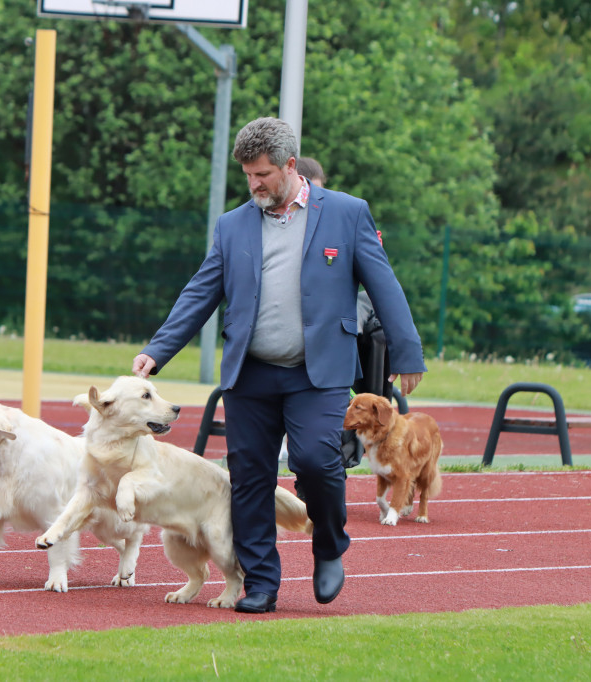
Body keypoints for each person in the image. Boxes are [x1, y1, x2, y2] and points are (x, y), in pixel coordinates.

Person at [132, 117, 426, 613]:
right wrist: (158, 349)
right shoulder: (233, 224)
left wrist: (407, 351)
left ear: (291, 166)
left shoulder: (348, 215)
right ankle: (261, 583)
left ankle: (330, 545)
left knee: (315, 462)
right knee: (249, 477)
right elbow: (201, 291)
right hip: (251, 372)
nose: (254, 185)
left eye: (263, 174)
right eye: (248, 175)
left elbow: (384, 285)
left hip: (318, 372)